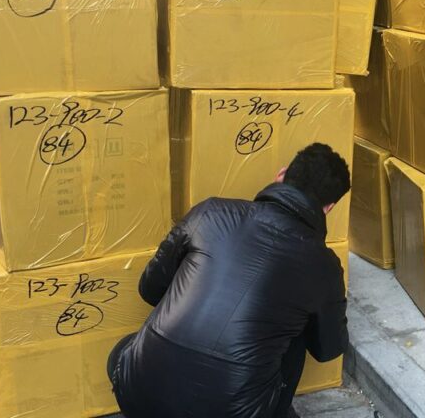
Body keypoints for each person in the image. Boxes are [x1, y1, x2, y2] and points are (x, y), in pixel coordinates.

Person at [108, 143, 351, 418]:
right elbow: (327, 349)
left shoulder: (210, 212)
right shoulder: (323, 264)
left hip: (137, 395)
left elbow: (150, 289)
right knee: (295, 332)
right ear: (328, 208)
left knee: (125, 350)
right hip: (234, 410)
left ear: (281, 175)